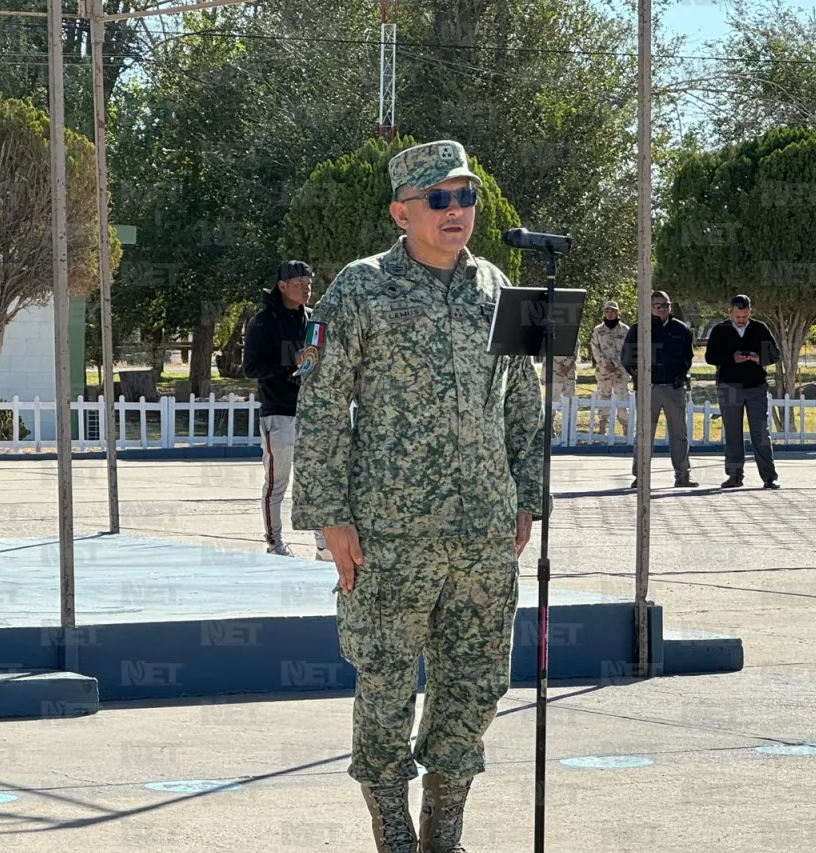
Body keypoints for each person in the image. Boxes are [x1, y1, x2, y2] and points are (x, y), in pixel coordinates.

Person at [289, 140, 544, 853]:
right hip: (389, 531)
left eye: (465, 196)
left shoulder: (500, 285)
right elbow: (321, 402)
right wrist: (327, 516)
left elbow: (523, 397)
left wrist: (529, 493)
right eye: (439, 199)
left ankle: (446, 825)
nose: (456, 210)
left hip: (485, 531)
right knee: (385, 682)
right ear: (402, 211)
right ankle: (393, 827)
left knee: (477, 681)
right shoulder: (356, 289)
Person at [242, 261, 331, 559]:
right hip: (278, 413)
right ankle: (275, 544)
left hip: (311, 412)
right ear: (282, 286)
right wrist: (288, 362)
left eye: (309, 282)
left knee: (314, 480)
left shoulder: (312, 320)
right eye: (299, 283)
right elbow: (251, 367)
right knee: (277, 483)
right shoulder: (262, 322)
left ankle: (322, 542)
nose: (306, 288)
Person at [622, 289, 697, 488]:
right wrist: (640, 376)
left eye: (666, 305)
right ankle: (641, 477)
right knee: (644, 434)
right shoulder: (638, 330)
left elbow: (688, 357)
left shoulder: (682, 330)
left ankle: (683, 475)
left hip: (674, 389)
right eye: (658, 305)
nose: (663, 309)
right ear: (649, 307)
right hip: (649, 389)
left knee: (679, 434)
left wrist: (680, 374)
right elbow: (627, 358)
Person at [704, 294, 780, 489]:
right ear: (730, 312)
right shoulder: (721, 330)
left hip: (756, 387)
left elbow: (774, 355)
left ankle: (769, 477)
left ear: (750, 313)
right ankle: (734, 475)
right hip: (729, 386)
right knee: (732, 432)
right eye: (738, 317)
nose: (741, 320)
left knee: (761, 432)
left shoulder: (759, 329)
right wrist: (732, 358)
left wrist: (757, 357)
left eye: (745, 316)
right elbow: (710, 356)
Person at [590, 301, 631, 437]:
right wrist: (604, 363)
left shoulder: (625, 330)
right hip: (604, 371)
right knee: (603, 399)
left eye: (613, 311)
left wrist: (616, 364)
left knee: (622, 400)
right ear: (604, 312)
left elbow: (629, 350)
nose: (610, 313)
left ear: (618, 312)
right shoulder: (598, 330)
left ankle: (626, 429)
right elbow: (595, 349)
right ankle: (603, 429)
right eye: (607, 311)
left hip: (620, 371)